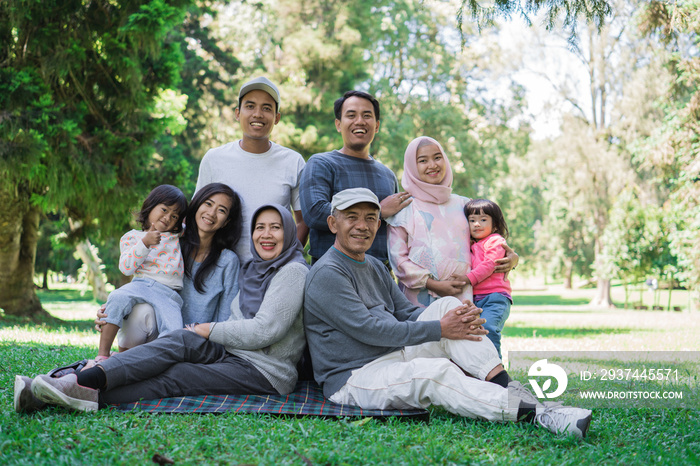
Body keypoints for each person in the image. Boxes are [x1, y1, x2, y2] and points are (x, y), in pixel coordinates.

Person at [303, 188, 592, 438]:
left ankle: (506, 385)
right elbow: (370, 330)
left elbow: (405, 311)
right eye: (351, 217)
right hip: (353, 376)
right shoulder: (329, 273)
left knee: (450, 306)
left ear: (378, 224)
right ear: (333, 223)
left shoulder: (375, 266)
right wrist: (441, 329)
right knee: (436, 372)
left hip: (388, 355)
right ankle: (539, 413)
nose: (362, 226)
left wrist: (450, 321)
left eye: (370, 218)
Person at [16, 204, 310, 412]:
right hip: (232, 351)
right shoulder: (254, 269)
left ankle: (63, 388)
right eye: (260, 227)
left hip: (263, 370)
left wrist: (209, 330)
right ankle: (72, 383)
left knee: (177, 376)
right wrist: (117, 309)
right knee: (181, 339)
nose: (266, 234)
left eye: (275, 227)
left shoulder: (293, 271)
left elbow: (266, 329)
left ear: (288, 231)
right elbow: (147, 282)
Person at [101, 183, 244, 351]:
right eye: (208, 204)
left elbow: (226, 320)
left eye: (221, 210)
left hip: (193, 344)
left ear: (226, 222)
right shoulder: (171, 244)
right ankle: (117, 363)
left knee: (174, 345)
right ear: (196, 206)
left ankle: (129, 367)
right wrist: (110, 312)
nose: (211, 213)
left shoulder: (227, 261)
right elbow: (140, 282)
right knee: (140, 311)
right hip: (153, 333)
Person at [387, 136, 518, 308]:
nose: (432, 165)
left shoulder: (464, 204)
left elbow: (485, 242)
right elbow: (398, 260)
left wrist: (511, 258)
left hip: (463, 297)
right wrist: (433, 284)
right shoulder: (404, 209)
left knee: (463, 334)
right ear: (412, 166)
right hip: (418, 302)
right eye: (423, 160)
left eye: (437, 157)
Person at [196, 76, 308, 263]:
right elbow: (196, 215)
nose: (258, 114)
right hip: (218, 267)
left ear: (277, 118)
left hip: (271, 270)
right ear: (238, 113)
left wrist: (286, 259)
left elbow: (303, 221)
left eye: (267, 108)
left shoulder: (293, 161)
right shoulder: (214, 158)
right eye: (250, 106)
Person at [299, 90, 411, 264]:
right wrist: (378, 212)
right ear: (338, 124)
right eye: (351, 115)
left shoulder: (387, 175)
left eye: (367, 115)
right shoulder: (321, 163)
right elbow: (314, 213)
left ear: (377, 125)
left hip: (380, 275)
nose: (359, 121)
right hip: (333, 272)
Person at [96, 185, 188, 361]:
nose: (168, 217)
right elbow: (126, 267)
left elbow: (197, 219)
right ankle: (103, 354)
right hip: (141, 285)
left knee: (175, 332)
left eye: (174, 215)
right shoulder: (132, 237)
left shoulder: (176, 236)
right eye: (164, 209)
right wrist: (144, 243)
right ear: (150, 205)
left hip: (168, 293)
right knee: (117, 297)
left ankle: (157, 365)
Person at [464, 198, 513, 357]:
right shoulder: (469, 245)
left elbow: (490, 264)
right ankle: (481, 370)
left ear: (495, 225)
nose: (477, 224)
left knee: (489, 330)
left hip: (495, 297)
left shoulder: (495, 241)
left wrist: (468, 279)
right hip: (475, 299)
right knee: (475, 334)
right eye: (472, 220)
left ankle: (496, 371)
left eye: (483, 219)